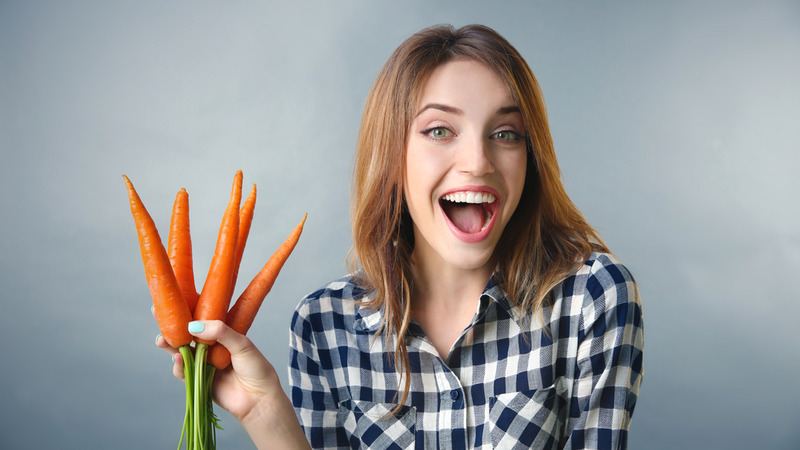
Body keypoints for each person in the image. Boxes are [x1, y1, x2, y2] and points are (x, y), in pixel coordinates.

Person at [157, 24, 643, 449]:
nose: (478, 162)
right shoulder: (324, 326)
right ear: (393, 157)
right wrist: (262, 411)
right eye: (440, 130)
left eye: (506, 133)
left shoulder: (592, 298)